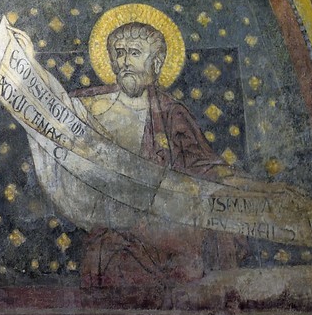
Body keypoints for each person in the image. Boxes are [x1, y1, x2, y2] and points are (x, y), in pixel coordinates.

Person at [70, 20, 242, 287]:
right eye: (119, 53)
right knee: (105, 252)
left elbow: (204, 166)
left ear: (157, 63)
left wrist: (229, 183)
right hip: (113, 225)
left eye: (135, 53)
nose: (125, 62)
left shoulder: (172, 113)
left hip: (163, 222)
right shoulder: (91, 104)